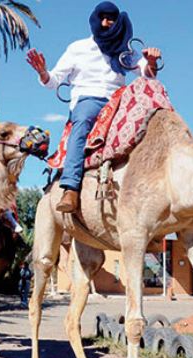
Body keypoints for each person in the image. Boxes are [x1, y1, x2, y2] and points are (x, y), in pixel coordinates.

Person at [26, 1, 162, 213]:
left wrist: (151, 61)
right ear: (95, 20)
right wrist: (43, 71)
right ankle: (70, 188)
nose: (107, 23)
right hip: (89, 98)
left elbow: (147, 73)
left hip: (119, 100)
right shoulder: (78, 48)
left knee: (150, 120)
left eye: (111, 19)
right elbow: (54, 81)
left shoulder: (125, 49)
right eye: (103, 18)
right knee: (81, 123)